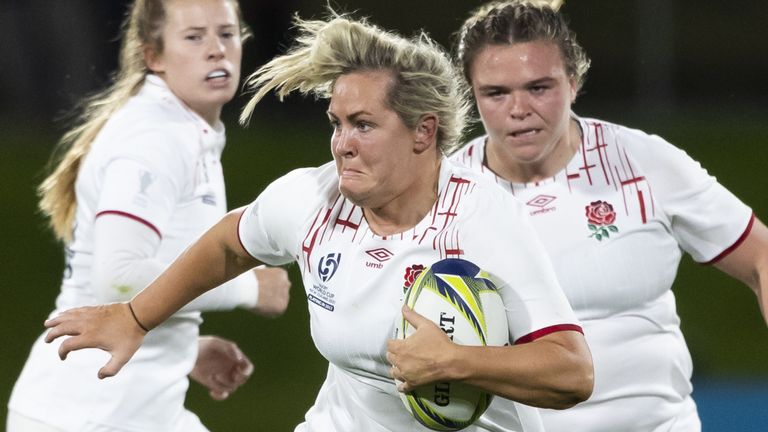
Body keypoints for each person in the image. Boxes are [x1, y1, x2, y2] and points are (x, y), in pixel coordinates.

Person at [43, 11, 594, 432]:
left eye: (363, 125)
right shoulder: (313, 198)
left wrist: (458, 361)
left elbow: (572, 373)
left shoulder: (479, 216)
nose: (342, 145)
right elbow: (231, 244)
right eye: (336, 123)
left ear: (423, 133)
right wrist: (137, 317)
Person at [449, 1, 768, 431]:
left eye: (539, 88)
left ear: (573, 83)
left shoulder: (642, 162)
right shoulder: (447, 195)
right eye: (497, 93)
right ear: (473, 95)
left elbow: (760, 257)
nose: (518, 108)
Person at [7, 1, 291, 431]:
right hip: (86, 413)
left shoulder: (180, 127)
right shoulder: (155, 137)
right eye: (194, 37)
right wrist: (247, 287)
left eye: (226, 34)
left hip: (121, 407)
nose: (216, 50)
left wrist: (181, 347)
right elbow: (118, 277)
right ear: (152, 56)